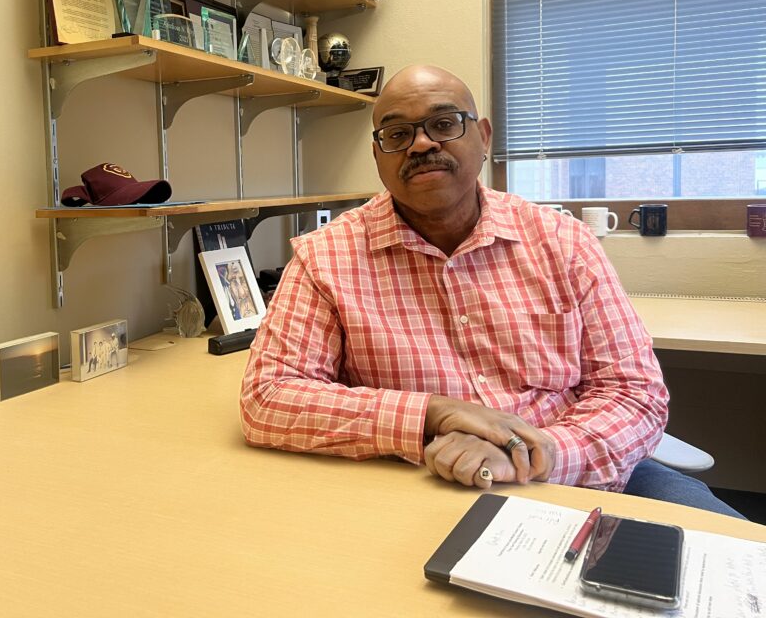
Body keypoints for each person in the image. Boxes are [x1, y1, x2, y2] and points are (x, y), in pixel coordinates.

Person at [240, 64, 741, 518]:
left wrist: (534, 452)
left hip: (577, 472)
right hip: (416, 483)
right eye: (397, 134)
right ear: (378, 155)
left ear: (483, 137)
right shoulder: (325, 257)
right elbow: (268, 398)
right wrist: (433, 414)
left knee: (731, 573)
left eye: (443, 124)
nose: (419, 145)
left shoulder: (562, 242)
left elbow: (635, 392)